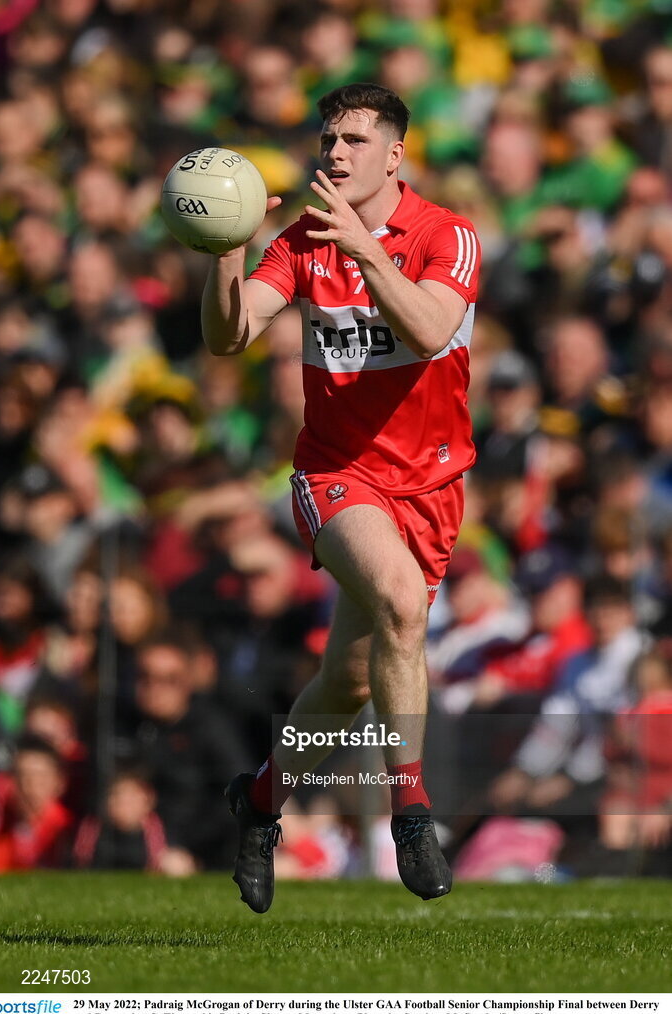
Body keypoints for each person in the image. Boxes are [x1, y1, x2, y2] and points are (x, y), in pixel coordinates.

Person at [201, 82, 481, 912]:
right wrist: (227, 251)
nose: (335, 152)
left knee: (351, 683)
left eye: (356, 140)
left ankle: (257, 803)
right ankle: (411, 813)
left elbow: (431, 329)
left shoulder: (447, 235)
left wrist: (366, 250)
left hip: (430, 482)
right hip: (335, 473)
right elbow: (227, 337)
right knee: (400, 605)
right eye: (328, 138)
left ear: (395, 153)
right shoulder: (298, 243)